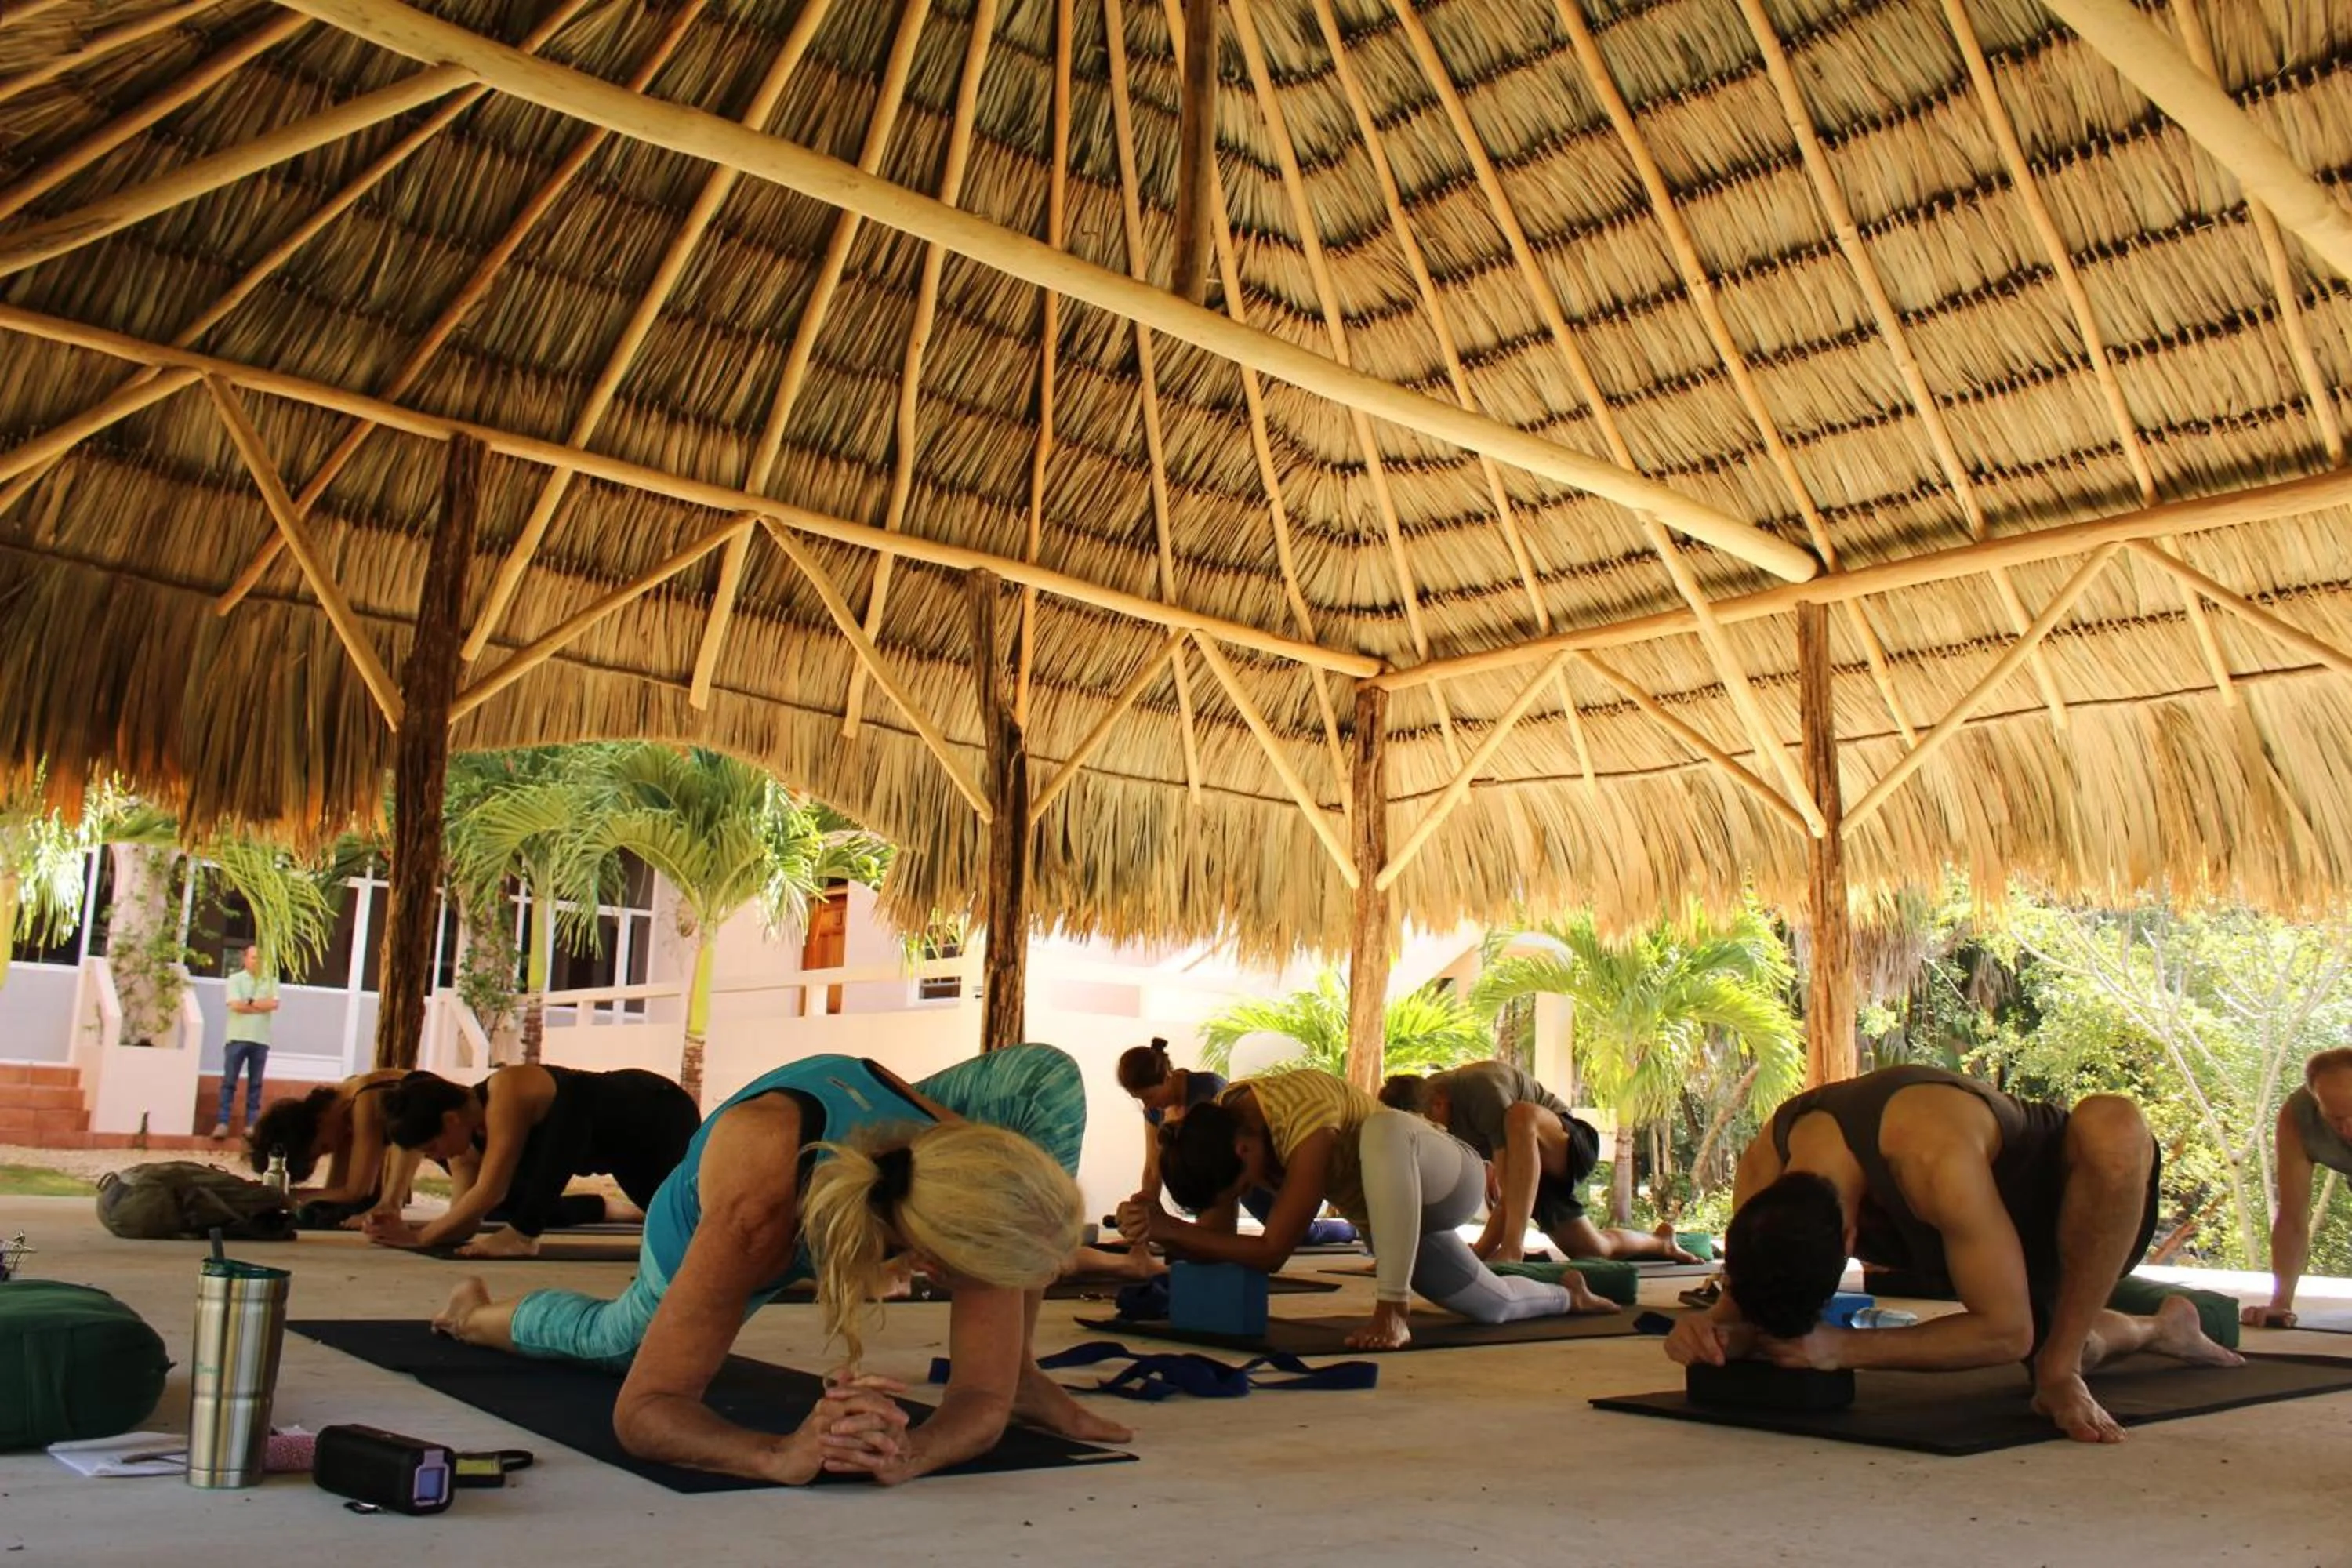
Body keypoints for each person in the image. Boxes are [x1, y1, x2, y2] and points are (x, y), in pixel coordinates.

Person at [430, 1054, 1131, 1484]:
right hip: (704, 1215)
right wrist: (777, 1452)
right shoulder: (756, 1219)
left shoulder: (971, 1171)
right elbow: (646, 1413)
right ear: (925, 1260)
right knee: (618, 1343)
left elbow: (980, 1401)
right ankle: (474, 1313)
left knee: (1045, 1075)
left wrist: (911, 1453)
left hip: (844, 1173)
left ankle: (1025, 1373)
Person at [1666, 1064, 2242, 1443]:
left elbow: (2007, 1333)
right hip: (1944, 1239)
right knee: (2041, 1340)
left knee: (2113, 1122)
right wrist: (1713, 1330)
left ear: (1850, 1242)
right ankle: (2162, 1328)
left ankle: (2064, 1366)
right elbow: (1745, 1306)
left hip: (2071, 1218)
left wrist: (1843, 1347)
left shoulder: (1932, 1158)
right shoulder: (1761, 1179)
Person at [1122, 1068, 1617, 1350]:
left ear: (1243, 1149)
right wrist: (1156, 1228)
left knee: (1383, 1129)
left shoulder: (1303, 1113)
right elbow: (1217, 1244)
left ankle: (1393, 1311)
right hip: (1393, 1219)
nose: (1250, 1190)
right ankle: (1570, 1295)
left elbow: (1272, 1252)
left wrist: (1175, 1232)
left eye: (1244, 1185)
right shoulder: (1219, 1134)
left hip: (1449, 1180)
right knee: (1493, 1306)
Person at [365, 1064, 701, 1259]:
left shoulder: (506, 1089)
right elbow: (466, 1219)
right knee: (683, 1231)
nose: (436, 1158)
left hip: (655, 1111)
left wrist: (420, 1239)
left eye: (431, 1148)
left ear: (451, 1120)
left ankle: (523, 1234)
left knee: (698, 1224)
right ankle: (523, 1232)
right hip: (618, 1152)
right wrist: (405, 1231)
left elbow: (491, 1192)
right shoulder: (466, 1148)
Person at [1381, 1062, 1697, 1265]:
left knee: (1520, 1114)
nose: (1434, 1126)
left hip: (1570, 1146)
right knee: (1593, 1251)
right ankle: (1660, 1242)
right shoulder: (1425, 1102)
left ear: (1439, 1100)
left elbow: (1508, 1188)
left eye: (1432, 1116)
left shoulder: (1481, 1088)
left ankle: (1514, 1247)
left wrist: (1489, 1251)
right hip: (1534, 1176)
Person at [911, 1043, 1150, 1279]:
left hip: (1039, 1087)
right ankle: (1129, 1263)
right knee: (1037, 1242)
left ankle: (1130, 1263)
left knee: (1030, 1245)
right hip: (1042, 1078)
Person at [2244, 1047, 2352, 1328]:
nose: (2348, 1130)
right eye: (2336, 1119)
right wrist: (2280, 1303)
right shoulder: (2298, 1115)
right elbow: (2292, 1218)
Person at [245, 1069, 407, 1227]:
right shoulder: (341, 1110)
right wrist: (277, 1194)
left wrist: (285, 1195)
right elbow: (336, 1189)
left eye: (324, 1147)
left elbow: (357, 1191)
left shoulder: (363, 1098)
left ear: (318, 1120)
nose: (333, 1149)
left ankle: (392, 1205)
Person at [212, 944, 278, 1140]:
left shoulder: (271, 980)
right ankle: (223, 1123)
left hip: (260, 1039)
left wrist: (249, 1002)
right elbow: (235, 1005)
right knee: (229, 1082)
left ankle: (252, 1124)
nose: (257, 962)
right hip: (237, 1038)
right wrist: (258, 1005)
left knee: (255, 1084)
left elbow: (273, 1004)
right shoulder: (235, 979)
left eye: (260, 959)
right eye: (253, 958)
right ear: (245, 959)